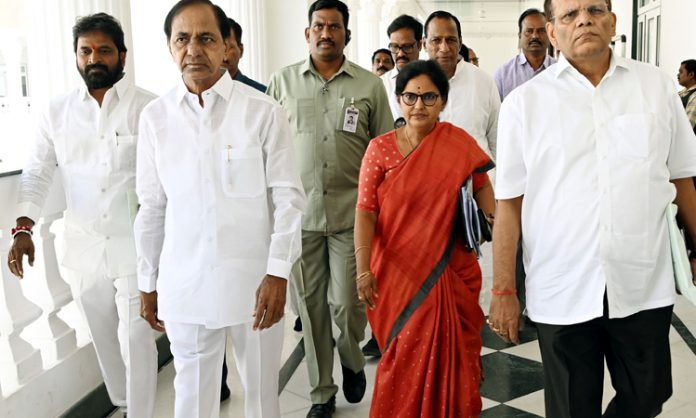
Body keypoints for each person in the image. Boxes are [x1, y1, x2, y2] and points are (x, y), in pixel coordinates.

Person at [490, 1, 696, 418]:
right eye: (569, 15)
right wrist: (503, 291)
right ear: (552, 32)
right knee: (571, 409)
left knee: (648, 396)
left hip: (641, 282)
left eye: (594, 9)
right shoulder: (524, 105)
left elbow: (683, 180)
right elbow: (508, 205)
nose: (583, 19)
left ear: (613, 21)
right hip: (561, 286)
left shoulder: (654, 87)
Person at [134, 1, 305, 417]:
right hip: (184, 282)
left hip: (255, 285)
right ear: (169, 47)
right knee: (191, 400)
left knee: (262, 399)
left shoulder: (262, 112)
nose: (194, 49)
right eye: (183, 39)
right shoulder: (155, 118)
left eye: (206, 38)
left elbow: (288, 197)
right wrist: (147, 279)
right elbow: (152, 206)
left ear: (227, 46)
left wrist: (278, 272)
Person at [6, 13, 157, 418]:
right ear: (76, 57)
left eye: (104, 50)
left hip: (135, 245)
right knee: (105, 339)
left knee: (136, 338)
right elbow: (38, 172)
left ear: (121, 56)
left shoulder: (151, 108)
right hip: (85, 246)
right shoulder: (55, 112)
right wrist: (23, 227)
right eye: (86, 50)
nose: (94, 58)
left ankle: (141, 412)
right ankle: (125, 403)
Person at [267, 1, 393, 416]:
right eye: (318, 26)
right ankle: (322, 393)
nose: (325, 33)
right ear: (307, 33)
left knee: (346, 303)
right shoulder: (282, 83)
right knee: (312, 306)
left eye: (334, 26)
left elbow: (387, 152)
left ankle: (353, 359)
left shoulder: (369, 86)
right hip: (299, 218)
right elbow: (265, 152)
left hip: (350, 217)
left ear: (347, 35)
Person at [354, 59, 495, 417]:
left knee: (455, 359)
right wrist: (362, 268)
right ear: (399, 100)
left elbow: (482, 190)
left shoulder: (458, 144)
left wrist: (499, 224)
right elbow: (365, 211)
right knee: (402, 358)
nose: (419, 105)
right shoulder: (380, 149)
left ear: (443, 101)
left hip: (449, 270)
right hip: (396, 275)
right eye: (410, 97)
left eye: (429, 97)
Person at [424, 11, 500, 163]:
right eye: (436, 40)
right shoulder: (413, 85)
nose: (444, 48)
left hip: (478, 180)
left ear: (460, 43)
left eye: (451, 40)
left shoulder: (483, 82)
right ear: (424, 43)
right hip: (430, 181)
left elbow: (496, 139)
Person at [493, 8, 556, 101]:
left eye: (541, 31)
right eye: (529, 31)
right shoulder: (503, 74)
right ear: (519, 35)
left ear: (549, 34)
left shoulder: (559, 70)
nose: (535, 36)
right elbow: (495, 112)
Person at [381, 14, 423, 120]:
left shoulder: (433, 80)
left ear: (419, 45)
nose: (400, 54)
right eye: (394, 47)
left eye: (407, 47)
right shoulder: (381, 84)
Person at [222, 17, 266, 92]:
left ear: (241, 50)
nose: (223, 56)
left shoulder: (262, 93)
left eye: (228, 47)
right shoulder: (196, 96)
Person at [678, 59, 696, 134]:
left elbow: (687, 126)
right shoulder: (680, 93)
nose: (678, 75)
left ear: (691, 74)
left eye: (681, 72)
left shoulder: (695, 96)